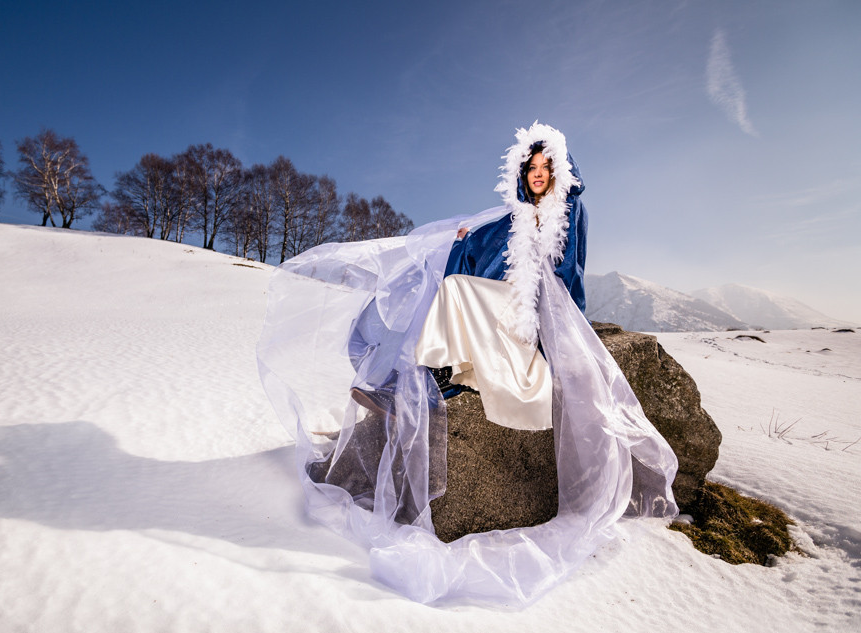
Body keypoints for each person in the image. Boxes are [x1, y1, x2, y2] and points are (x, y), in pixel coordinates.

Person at [257, 122, 678, 605]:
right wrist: (464, 238)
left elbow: (571, 274)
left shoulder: (570, 210)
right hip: (506, 310)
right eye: (531, 168)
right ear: (521, 173)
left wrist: (565, 336)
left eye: (547, 167)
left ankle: (426, 384)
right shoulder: (514, 217)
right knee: (453, 286)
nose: (538, 175)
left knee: (458, 292)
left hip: (537, 318)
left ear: (560, 172)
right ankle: (426, 385)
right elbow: (480, 247)